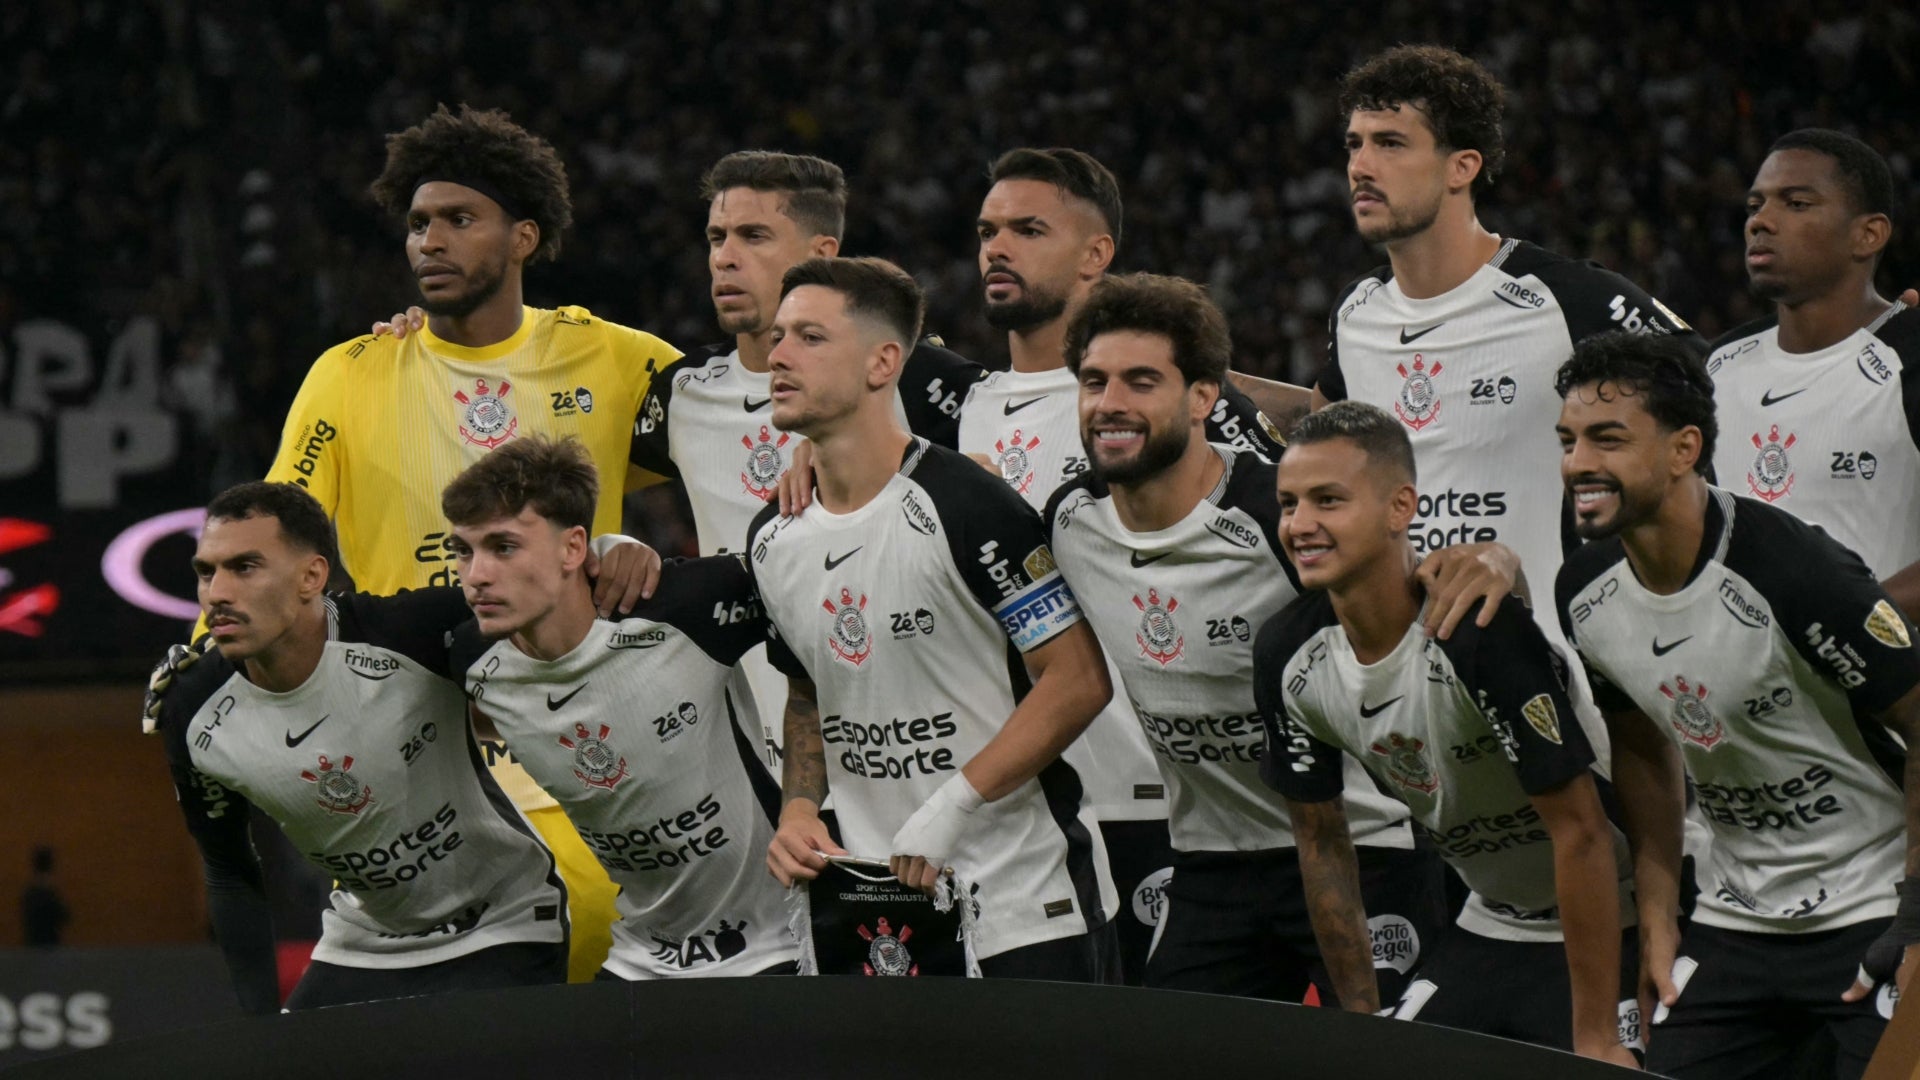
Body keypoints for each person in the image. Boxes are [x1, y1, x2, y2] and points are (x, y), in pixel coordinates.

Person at [254, 103, 679, 982]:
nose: (429, 242)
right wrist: (212, 662)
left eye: (458, 219)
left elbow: (750, 427)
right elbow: (277, 531)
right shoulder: (351, 373)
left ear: (524, 236)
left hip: (576, 712)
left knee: (594, 927)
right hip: (419, 731)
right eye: (416, 224)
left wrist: (658, 557)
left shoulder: (611, 359)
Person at [1044, 273, 1445, 1002]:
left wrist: (1490, 560)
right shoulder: (1069, 521)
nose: (1110, 404)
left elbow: (1411, 623)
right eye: (1094, 381)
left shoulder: (1279, 516)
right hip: (1211, 859)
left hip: (1365, 845)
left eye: (1141, 381)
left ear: (1204, 398)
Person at [1314, 45, 1707, 765]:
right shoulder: (1356, 313)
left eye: (1391, 144)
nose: (1361, 166)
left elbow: (1716, 384)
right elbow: (1322, 423)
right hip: (1410, 696)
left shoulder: (1565, 298)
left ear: (1462, 166)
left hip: (1554, 687)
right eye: (1355, 144)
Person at [1553, 331, 1920, 1079]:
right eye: (1567, 440)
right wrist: (1658, 919)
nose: (1577, 464)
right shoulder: (1585, 592)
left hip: (1871, 904)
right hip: (1735, 919)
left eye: (1607, 439)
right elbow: (1644, 753)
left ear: (1684, 448)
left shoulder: (1795, 569)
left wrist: (1916, 920)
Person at [753, 256, 1119, 980]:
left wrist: (953, 804)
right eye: (777, 335)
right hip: (876, 913)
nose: (778, 354)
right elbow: (806, 693)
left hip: (1021, 906)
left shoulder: (967, 502)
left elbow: (1076, 679)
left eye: (809, 337)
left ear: (883, 361)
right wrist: (800, 809)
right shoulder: (773, 536)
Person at [1256, 401, 1636, 1064]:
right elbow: (1320, 841)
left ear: (1400, 508)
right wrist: (1362, 1018)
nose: (1300, 525)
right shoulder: (1287, 654)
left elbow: (1581, 833)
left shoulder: (1475, 630)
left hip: (1617, 919)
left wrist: (1597, 1034)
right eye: (1289, 504)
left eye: (1328, 500)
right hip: (1490, 922)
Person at [149, 482, 570, 1012]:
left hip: (503, 922)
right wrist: (258, 1028)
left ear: (312, 576)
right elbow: (228, 868)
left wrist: (615, 551)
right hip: (367, 942)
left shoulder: (405, 632)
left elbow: (553, 607)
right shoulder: (190, 708)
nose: (217, 593)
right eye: (206, 572)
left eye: (245, 567)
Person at [624, 150, 983, 770]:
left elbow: (1028, 437)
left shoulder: (908, 374)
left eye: (753, 235)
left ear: (821, 254)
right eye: (716, 236)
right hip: (768, 756)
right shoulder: (683, 393)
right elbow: (582, 474)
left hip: (922, 742)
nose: (723, 257)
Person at [440, 436, 799, 978]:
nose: (476, 575)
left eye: (504, 547)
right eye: (463, 551)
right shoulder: (471, 654)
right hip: (640, 957)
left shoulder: (681, 607)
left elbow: (824, 579)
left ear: (572, 547)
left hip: (780, 943)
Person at [1708, 128, 1920, 618]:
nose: (1761, 221)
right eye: (1754, 205)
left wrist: (1843, 621)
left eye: (1796, 203)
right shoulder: (1717, 365)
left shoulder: (1909, 355)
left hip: (1893, 687)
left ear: (1867, 234)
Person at [21, 846, 68, 947]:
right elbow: (64, 915)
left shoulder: (29, 893)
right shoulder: (51, 894)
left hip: (33, 946)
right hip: (50, 945)